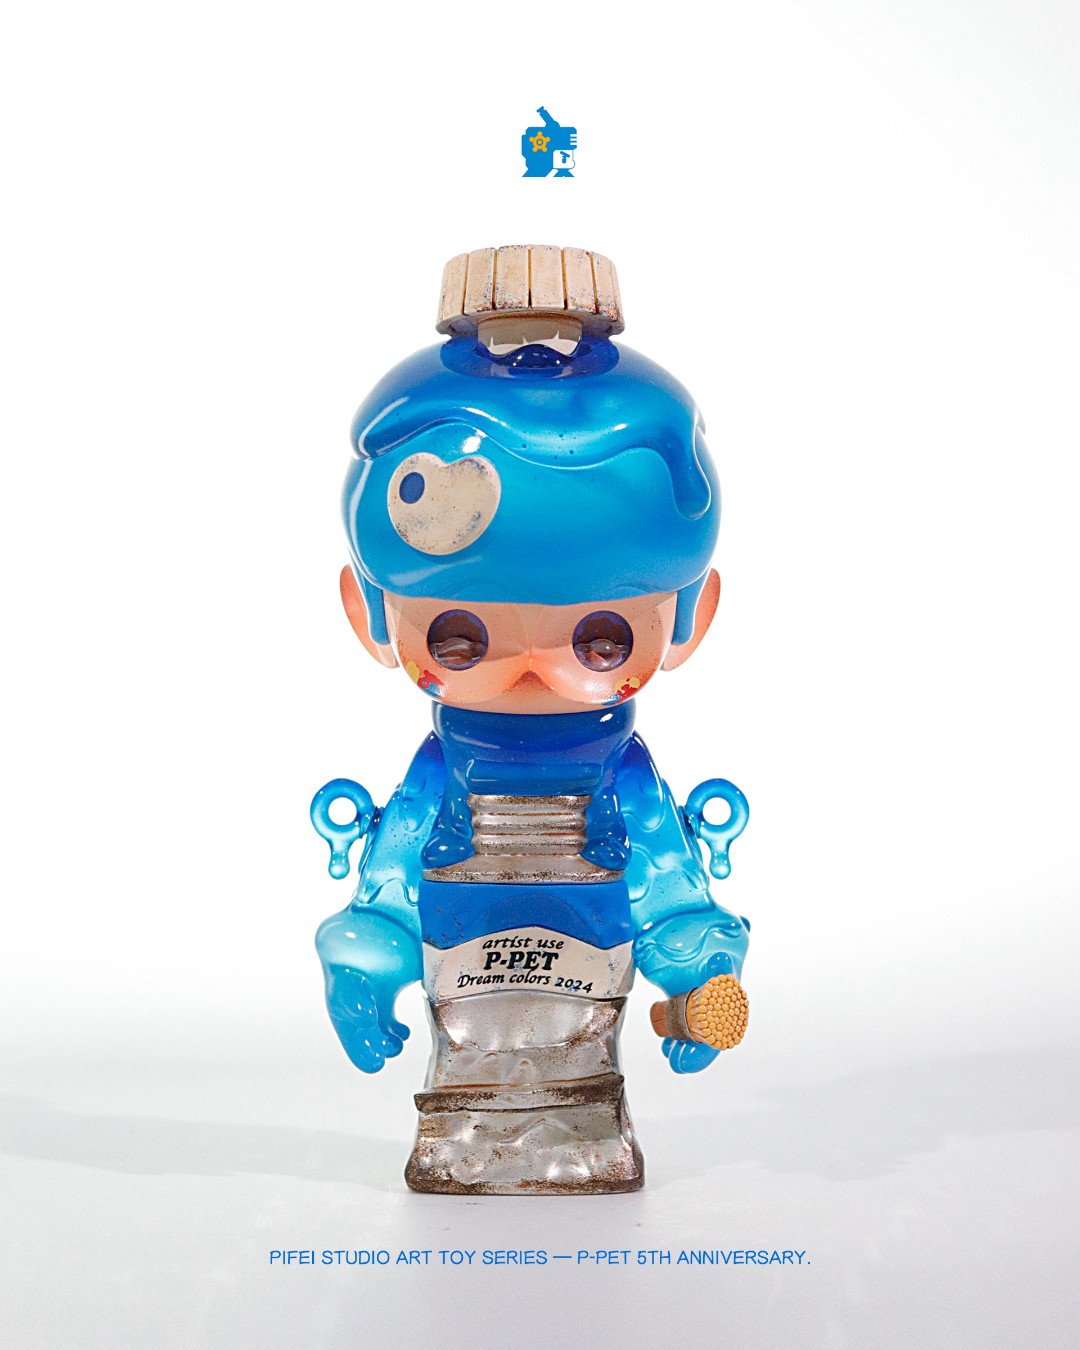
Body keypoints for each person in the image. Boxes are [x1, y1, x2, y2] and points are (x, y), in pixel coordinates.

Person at [311, 250, 750, 1193]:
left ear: (688, 618)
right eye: (461, 635)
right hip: (464, 1008)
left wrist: (699, 969)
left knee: (581, 1088)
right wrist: (363, 962)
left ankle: (580, 1136)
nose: (531, 668)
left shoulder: (624, 783)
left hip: (586, 1008)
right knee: (466, 1095)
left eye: (598, 638)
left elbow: (671, 887)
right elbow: (387, 886)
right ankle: (465, 1142)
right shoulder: (440, 782)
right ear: (370, 615)